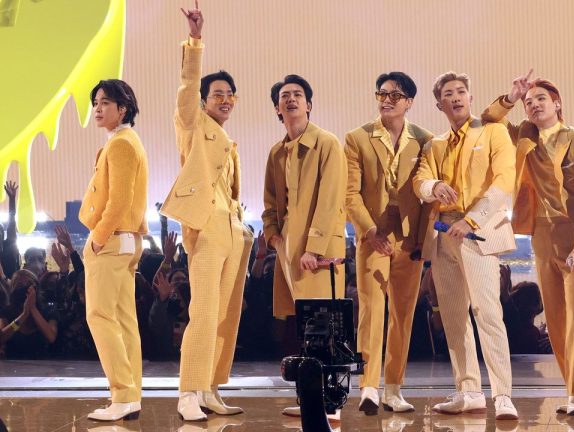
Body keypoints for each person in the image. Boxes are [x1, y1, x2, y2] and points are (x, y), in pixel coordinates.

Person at [481, 70, 574, 416]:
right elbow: (489, 120)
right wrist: (511, 97)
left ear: (557, 103)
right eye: (529, 102)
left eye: (541, 99)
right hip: (542, 235)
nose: (534, 106)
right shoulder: (524, 136)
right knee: (557, 319)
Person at [159, 2, 254, 421]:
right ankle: (187, 392)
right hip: (206, 227)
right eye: (218, 94)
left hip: (232, 228)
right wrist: (195, 41)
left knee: (224, 315)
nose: (226, 100)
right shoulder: (192, 125)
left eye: (230, 95)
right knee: (203, 312)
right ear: (202, 101)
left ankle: (210, 387)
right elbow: (187, 86)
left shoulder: (228, 140)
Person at [413, 71, 518, 420]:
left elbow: (504, 180)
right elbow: (419, 179)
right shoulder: (435, 144)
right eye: (448, 93)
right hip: (443, 234)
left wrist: (471, 219)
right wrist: (433, 187)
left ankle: (503, 394)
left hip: (477, 232)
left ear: (471, 98)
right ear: (439, 104)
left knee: (487, 313)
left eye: (461, 91)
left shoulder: (493, 131)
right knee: (453, 316)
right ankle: (469, 391)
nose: (456, 97)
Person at [344, 72, 433, 414]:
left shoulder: (424, 140)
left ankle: (394, 388)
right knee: (371, 308)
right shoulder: (358, 138)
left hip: (409, 238)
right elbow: (350, 194)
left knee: (403, 313)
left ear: (409, 102)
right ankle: (369, 386)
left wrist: (423, 241)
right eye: (382, 94)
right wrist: (369, 232)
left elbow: (427, 198)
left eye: (395, 95)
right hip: (373, 235)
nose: (386, 100)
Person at [262, 73, 347, 421]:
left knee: (325, 326)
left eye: (298, 94)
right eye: (284, 96)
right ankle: (311, 401)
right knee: (305, 328)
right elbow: (270, 203)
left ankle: (331, 404)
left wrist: (314, 247)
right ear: (277, 109)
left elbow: (330, 199)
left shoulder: (327, 143)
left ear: (309, 105)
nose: (291, 99)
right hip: (288, 251)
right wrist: (274, 237)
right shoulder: (276, 152)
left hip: (318, 251)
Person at [79, 78, 147, 421]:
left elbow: (119, 201)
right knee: (123, 321)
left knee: (100, 316)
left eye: (105, 102)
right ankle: (129, 396)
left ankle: (122, 395)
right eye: (95, 103)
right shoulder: (128, 141)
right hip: (126, 240)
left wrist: (98, 237)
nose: (97, 108)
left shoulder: (121, 144)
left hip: (112, 240)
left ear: (123, 108)